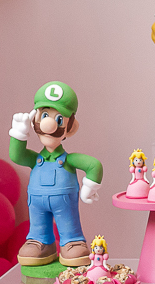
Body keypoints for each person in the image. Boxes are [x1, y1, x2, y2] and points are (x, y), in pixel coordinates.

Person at [8, 81, 102, 267]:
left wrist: (89, 187)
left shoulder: (68, 160)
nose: (48, 123)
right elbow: (16, 155)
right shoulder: (35, 160)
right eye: (44, 115)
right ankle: (39, 241)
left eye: (59, 119)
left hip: (65, 204)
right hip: (36, 204)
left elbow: (94, 165)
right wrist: (19, 133)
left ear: (70, 127)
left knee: (69, 224)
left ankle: (72, 241)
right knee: (38, 225)